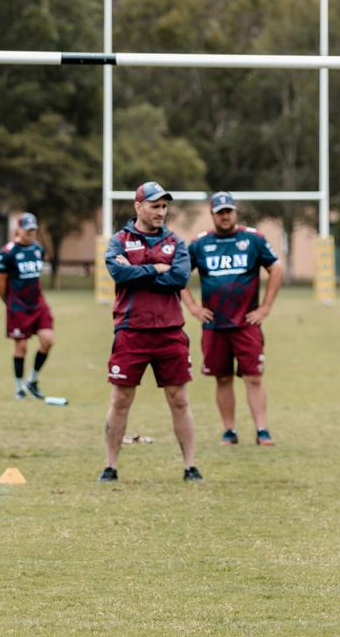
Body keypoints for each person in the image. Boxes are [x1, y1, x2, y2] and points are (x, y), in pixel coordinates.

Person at [101, 181, 202, 483]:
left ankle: (190, 466)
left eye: (164, 206)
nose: (161, 212)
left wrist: (140, 273)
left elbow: (179, 278)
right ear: (138, 206)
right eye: (155, 206)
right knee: (121, 399)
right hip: (131, 331)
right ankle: (110, 466)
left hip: (170, 332)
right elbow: (118, 272)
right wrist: (156, 269)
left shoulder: (176, 243)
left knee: (179, 399)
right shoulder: (119, 240)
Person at [181, 191, 284, 446]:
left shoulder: (253, 239)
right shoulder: (200, 243)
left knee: (254, 377)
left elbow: (276, 268)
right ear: (213, 214)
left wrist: (266, 307)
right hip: (214, 325)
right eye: (220, 212)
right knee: (223, 378)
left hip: (246, 323)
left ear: (235, 212)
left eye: (229, 211)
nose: (225, 216)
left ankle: (262, 430)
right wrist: (193, 307)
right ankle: (229, 430)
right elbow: (178, 274)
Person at [0, 212, 55, 400]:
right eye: (27, 229)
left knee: (48, 340)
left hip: (38, 302)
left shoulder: (38, 249)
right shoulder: (7, 253)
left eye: (34, 229)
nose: (31, 232)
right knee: (21, 347)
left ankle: (33, 380)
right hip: (17, 305)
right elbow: (0, 283)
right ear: (18, 229)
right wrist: (8, 302)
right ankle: (19, 388)